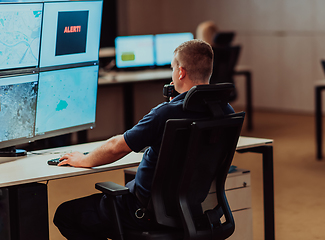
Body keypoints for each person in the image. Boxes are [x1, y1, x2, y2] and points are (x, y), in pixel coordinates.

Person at [53, 39, 235, 240]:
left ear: (181, 72)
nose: (172, 73)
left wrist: (84, 159)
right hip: (195, 209)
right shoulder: (225, 111)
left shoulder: (165, 113)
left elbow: (117, 148)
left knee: (66, 214)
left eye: (173, 68)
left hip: (143, 213)